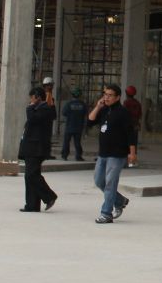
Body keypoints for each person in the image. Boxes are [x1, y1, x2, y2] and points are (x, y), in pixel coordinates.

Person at [87, 85, 137, 224]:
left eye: (110, 95)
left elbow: (130, 134)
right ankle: (120, 201)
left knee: (110, 183)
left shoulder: (123, 113)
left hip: (117, 154)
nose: (106, 97)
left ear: (118, 97)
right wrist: (98, 107)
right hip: (103, 153)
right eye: (105, 94)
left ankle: (106, 213)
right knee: (98, 181)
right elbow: (90, 122)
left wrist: (132, 153)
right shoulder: (103, 110)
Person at [18, 88, 58, 212]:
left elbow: (33, 119)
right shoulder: (40, 108)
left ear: (37, 97)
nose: (30, 101)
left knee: (31, 175)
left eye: (32, 98)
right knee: (30, 176)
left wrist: (30, 107)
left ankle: (49, 196)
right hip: (31, 147)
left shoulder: (45, 109)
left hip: (37, 148)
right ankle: (32, 205)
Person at [59, 89, 88, 160]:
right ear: (80, 95)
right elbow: (86, 114)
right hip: (78, 127)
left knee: (66, 142)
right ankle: (78, 156)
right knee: (77, 142)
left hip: (69, 126)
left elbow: (64, 113)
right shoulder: (83, 104)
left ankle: (64, 155)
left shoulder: (69, 104)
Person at [123, 85, 143, 163]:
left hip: (128, 125)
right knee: (134, 143)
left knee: (126, 142)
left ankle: (126, 160)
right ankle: (133, 160)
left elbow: (124, 114)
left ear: (127, 93)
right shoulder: (137, 103)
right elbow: (140, 115)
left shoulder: (126, 102)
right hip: (135, 126)